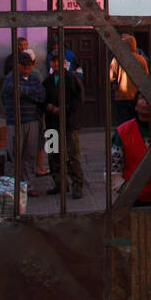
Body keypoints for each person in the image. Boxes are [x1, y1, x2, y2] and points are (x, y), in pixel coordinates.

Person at [2, 51, 46, 196]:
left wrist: (25, 93)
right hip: (15, 122)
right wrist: (31, 92)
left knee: (29, 155)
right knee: (14, 155)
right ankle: (11, 187)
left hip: (32, 121)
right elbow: (13, 90)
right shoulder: (10, 78)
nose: (27, 67)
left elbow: (42, 95)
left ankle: (28, 186)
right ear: (18, 65)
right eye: (24, 65)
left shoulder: (34, 78)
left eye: (29, 64)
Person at [44, 50, 85, 199]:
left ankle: (77, 185)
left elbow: (78, 99)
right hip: (51, 124)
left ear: (63, 63)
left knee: (72, 155)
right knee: (53, 155)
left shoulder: (71, 78)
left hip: (68, 124)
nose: (55, 63)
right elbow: (42, 99)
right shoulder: (47, 81)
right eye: (53, 61)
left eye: (58, 61)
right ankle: (59, 184)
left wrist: (64, 109)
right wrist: (47, 107)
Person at [109, 33, 149, 126]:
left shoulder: (116, 60)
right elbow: (145, 77)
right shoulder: (141, 59)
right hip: (136, 96)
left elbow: (112, 78)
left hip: (121, 97)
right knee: (135, 123)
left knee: (123, 123)